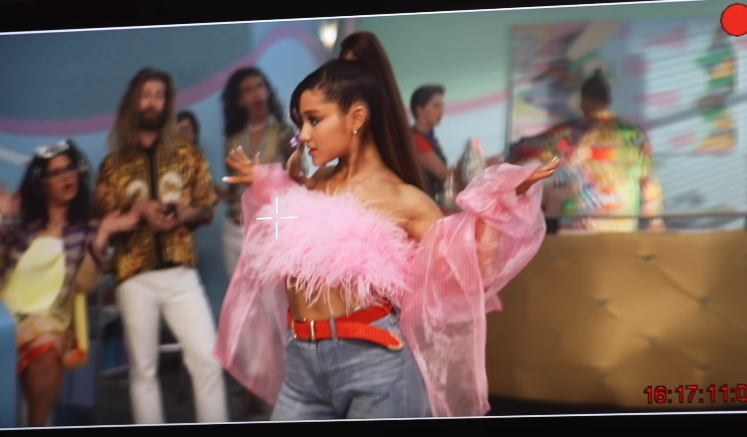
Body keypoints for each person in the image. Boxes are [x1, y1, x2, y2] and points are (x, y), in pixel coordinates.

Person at [213, 35, 556, 420]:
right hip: (302, 366)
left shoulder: (404, 200)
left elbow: (470, 269)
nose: (303, 135)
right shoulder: (312, 185)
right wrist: (273, 186)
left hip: (375, 366)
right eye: (301, 123)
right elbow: (279, 248)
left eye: (314, 120)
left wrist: (501, 201)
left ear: (356, 118)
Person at [94, 68, 228, 424]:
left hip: (181, 272)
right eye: (146, 95)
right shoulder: (113, 164)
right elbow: (102, 214)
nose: (153, 102)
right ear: (133, 102)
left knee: (208, 361)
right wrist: (140, 210)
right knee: (143, 370)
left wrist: (185, 213)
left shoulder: (187, 154)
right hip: (133, 274)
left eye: (159, 95)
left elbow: (207, 205)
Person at [0, 140, 139, 426]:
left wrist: (103, 235)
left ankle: (36, 425)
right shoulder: (24, 227)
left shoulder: (87, 228)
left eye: (70, 169)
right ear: (43, 183)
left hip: (48, 319)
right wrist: (3, 219)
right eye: (57, 172)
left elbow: (84, 285)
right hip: (5, 314)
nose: (67, 177)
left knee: (47, 348)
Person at [507, 68, 664, 232]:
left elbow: (526, 148)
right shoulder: (634, 135)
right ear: (608, 100)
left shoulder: (571, 134)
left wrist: (507, 158)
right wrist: (654, 220)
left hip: (583, 224)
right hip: (624, 223)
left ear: (584, 101)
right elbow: (649, 180)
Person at [216, 67, 295, 279]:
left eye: (260, 86)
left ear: (268, 91)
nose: (257, 93)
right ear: (239, 101)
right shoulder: (232, 141)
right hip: (235, 228)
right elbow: (237, 188)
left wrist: (264, 179)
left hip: (271, 226)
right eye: (248, 90)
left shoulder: (284, 133)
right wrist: (223, 195)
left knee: (273, 293)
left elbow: (298, 179)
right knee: (240, 294)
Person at [409, 85, 455, 201]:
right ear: (420, 110)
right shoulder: (416, 140)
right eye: (436, 106)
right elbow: (444, 175)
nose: (441, 111)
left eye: (441, 106)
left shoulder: (429, 137)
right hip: (427, 202)